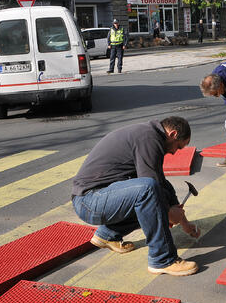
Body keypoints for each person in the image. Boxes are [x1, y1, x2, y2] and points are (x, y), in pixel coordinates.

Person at [71, 116, 201, 276]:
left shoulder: (150, 135)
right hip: (90, 201)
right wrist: (167, 212)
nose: (175, 152)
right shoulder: (148, 138)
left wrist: (183, 222)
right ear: (173, 134)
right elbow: (151, 188)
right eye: (178, 147)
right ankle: (163, 259)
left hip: (99, 198)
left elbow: (162, 184)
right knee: (148, 191)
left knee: (155, 192)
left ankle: (107, 235)